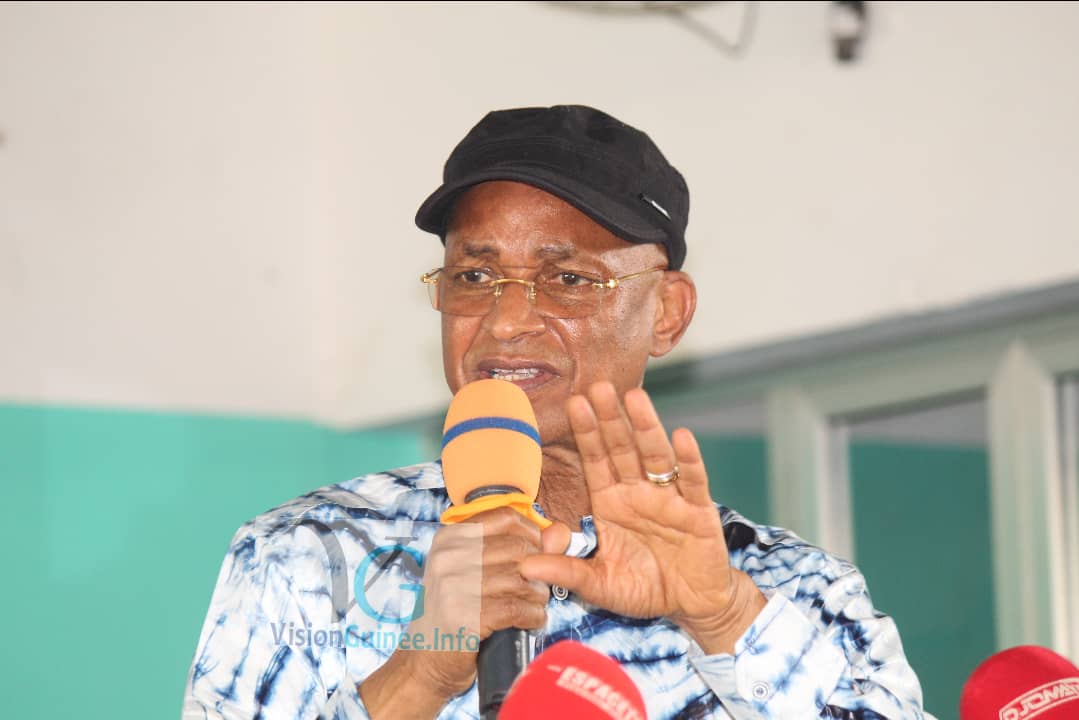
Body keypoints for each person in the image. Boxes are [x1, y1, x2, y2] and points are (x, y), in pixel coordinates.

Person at [182, 105, 932, 719]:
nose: (506, 321)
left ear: (666, 312)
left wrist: (721, 615)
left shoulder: (792, 588)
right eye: (473, 276)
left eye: (568, 279)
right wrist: (420, 673)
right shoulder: (310, 558)